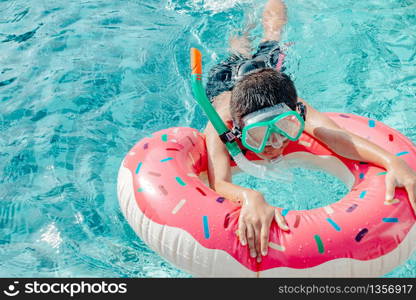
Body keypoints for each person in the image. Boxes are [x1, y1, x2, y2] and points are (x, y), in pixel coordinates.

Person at [203, 0, 416, 263]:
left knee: (272, 37)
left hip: (267, 74)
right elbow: (219, 183)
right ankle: (245, 26)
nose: (274, 145)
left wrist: (392, 160)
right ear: (238, 129)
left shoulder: (296, 107)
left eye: (284, 129)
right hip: (226, 80)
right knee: (239, 49)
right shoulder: (220, 124)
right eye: (257, 136)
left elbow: (338, 138)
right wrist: (249, 195)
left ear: (295, 117)